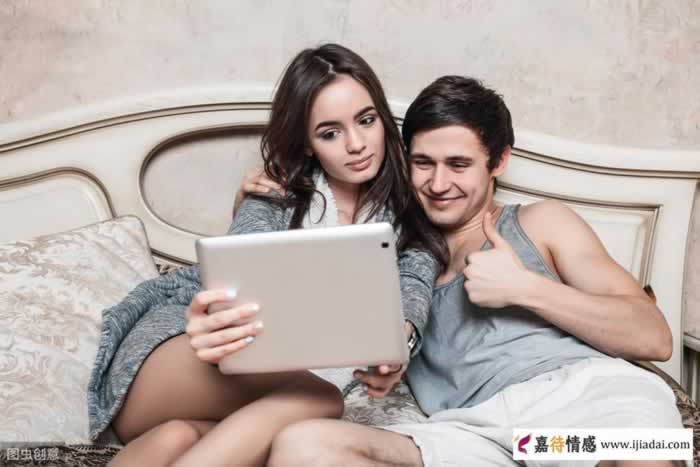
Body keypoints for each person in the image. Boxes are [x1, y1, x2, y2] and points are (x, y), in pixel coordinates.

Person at [244, 76, 685, 467]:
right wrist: (261, 199)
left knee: (639, 451)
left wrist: (526, 289)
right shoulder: (393, 261)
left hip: (582, 404)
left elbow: (654, 337)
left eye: (458, 165)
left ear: (499, 161)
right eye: (423, 163)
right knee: (303, 446)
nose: (438, 185)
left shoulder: (540, 223)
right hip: (475, 434)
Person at [87, 43, 448, 467]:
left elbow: (413, 289)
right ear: (308, 144)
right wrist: (212, 314)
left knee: (179, 439)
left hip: (215, 405)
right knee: (320, 398)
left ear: (383, 120)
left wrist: (396, 348)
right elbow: (237, 272)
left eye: (366, 121)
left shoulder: (411, 218)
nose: (356, 144)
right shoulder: (275, 193)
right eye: (330, 133)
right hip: (178, 357)